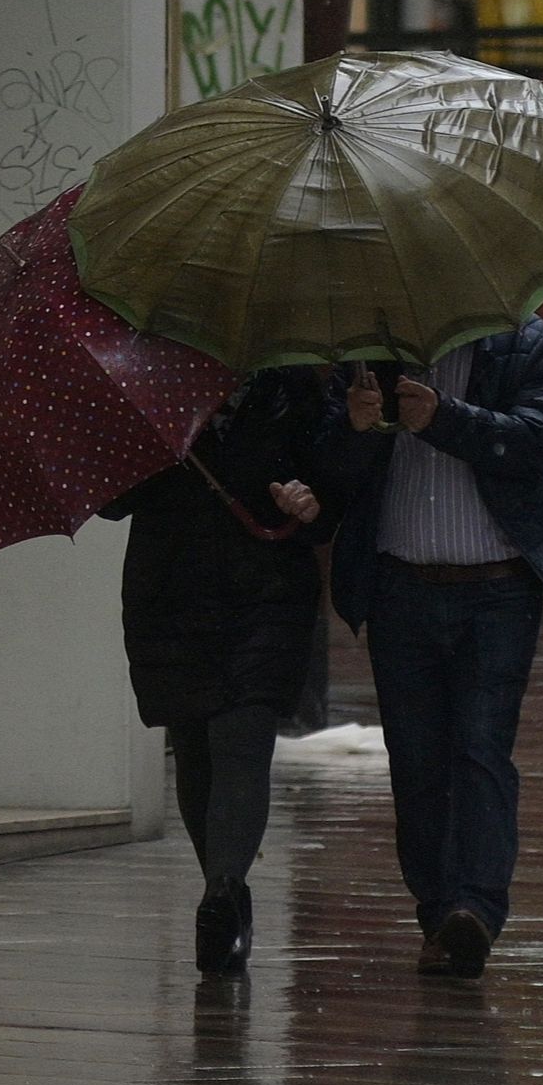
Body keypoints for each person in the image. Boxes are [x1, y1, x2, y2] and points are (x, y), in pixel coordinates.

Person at [321, 318, 543, 980]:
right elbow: (333, 479)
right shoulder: (367, 356)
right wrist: (353, 430)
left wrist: (446, 418)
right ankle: (439, 914)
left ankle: (478, 908)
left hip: (496, 590)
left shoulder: (527, 345)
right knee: (416, 760)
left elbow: (534, 441)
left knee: (480, 745)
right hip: (400, 589)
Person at [99, 371, 334, 975]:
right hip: (170, 592)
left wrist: (309, 499)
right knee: (197, 748)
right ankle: (223, 899)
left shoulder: (299, 385)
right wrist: (148, 444)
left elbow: (336, 489)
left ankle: (223, 892)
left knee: (243, 738)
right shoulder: (146, 385)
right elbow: (111, 500)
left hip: (266, 593)